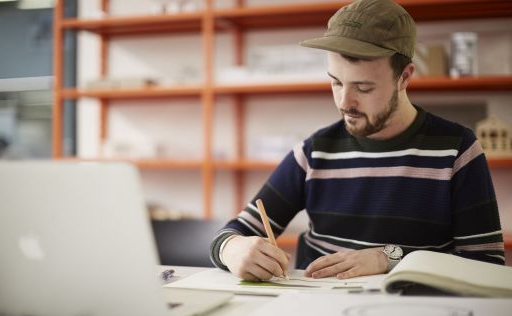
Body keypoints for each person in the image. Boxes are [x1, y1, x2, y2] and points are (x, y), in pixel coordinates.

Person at [209, 0, 505, 281]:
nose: (344, 102)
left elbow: (487, 268)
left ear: (405, 77)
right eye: (336, 82)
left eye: (363, 88)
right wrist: (232, 249)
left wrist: (389, 257)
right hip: (316, 312)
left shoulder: (457, 150)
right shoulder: (315, 151)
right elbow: (234, 231)